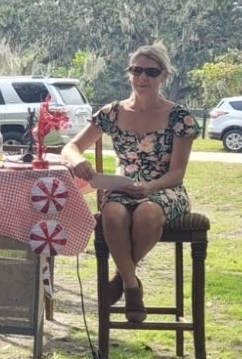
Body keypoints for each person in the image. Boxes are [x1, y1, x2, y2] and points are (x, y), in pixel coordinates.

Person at [62, 44, 199, 323]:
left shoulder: (179, 117)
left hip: (164, 189)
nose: (143, 78)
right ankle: (132, 283)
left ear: (164, 76)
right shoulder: (112, 112)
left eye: (151, 71)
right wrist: (77, 161)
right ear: (129, 74)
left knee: (147, 214)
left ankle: (122, 278)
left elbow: (177, 173)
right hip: (122, 187)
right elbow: (71, 147)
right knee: (112, 214)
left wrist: (150, 188)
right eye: (137, 70)